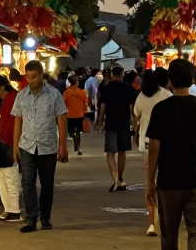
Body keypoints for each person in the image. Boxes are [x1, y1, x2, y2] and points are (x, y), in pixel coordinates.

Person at [146, 57, 196, 250]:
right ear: (192, 79)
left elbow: (154, 147)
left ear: (171, 80)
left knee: (169, 234)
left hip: (169, 181)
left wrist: (150, 182)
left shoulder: (161, 109)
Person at [12, 59, 68, 232]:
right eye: (28, 77)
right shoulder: (21, 95)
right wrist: (15, 146)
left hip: (48, 146)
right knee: (27, 183)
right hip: (27, 146)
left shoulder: (54, 95)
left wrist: (62, 146)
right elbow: (17, 122)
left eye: (34, 77)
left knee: (47, 185)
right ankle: (31, 218)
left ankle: (45, 217)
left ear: (41, 75)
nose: (31, 81)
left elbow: (62, 120)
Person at [134, 69, 172, 236]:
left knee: (150, 182)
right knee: (165, 182)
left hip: (147, 144)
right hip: (166, 144)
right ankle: (165, 219)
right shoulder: (166, 95)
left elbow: (135, 115)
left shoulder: (141, 97)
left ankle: (152, 223)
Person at [97, 64, 138, 192]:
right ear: (122, 75)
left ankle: (115, 177)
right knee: (122, 151)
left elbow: (102, 106)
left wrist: (99, 122)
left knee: (110, 152)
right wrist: (135, 125)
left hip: (110, 122)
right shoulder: (128, 88)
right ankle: (120, 177)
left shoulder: (106, 88)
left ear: (112, 75)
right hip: (124, 123)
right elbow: (133, 109)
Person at [0, 74, 21, 222]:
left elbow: (14, 123)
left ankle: (14, 210)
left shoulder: (13, 98)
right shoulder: (5, 99)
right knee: (1, 175)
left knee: (10, 176)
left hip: (10, 142)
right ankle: (8, 208)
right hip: (3, 140)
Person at [63, 72, 89, 156]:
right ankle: (78, 146)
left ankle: (75, 144)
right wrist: (85, 112)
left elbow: (63, 104)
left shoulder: (66, 93)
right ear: (77, 82)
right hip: (80, 115)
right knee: (78, 131)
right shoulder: (82, 92)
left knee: (72, 131)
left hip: (70, 115)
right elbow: (85, 103)